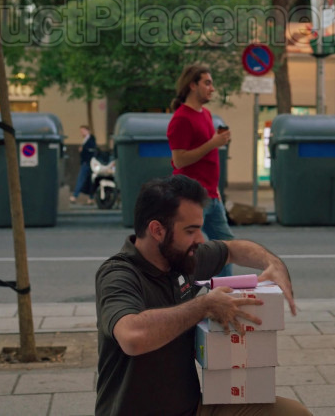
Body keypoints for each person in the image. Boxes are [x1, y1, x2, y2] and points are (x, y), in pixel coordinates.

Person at [94, 174, 311, 416]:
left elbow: (232, 249)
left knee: (293, 414)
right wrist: (203, 305)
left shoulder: (183, 257)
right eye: (190, 231)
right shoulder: (118, 274)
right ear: (157, 230)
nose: (200, 239)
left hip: (193, 409)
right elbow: (132, 337)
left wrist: (273, 263)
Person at [168, 64, 234, 277]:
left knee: (226, 248)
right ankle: (188, 299)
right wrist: (213, 143)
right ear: (192, 85)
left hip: (211, 196)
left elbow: (206, 160)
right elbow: (179, 161)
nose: (212, 89)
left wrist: (216, 193)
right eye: (207, 83)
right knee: (191, 250)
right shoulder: (181, 118)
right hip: (191, 196)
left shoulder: (205, 114)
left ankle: (224, 297)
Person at [71, 125, 97, 204]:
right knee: (89, 180)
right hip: (87, 162)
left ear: (87, 131)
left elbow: (91, 150)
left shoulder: (90, 140)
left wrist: (83, 150)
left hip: (87, 162)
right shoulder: (86, 140)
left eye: (82, 131)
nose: (81, 133)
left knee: (81, 179)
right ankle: (90, 197)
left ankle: (75, 195)